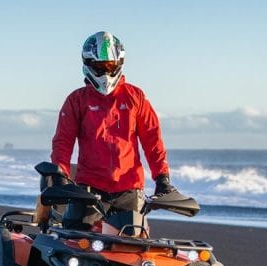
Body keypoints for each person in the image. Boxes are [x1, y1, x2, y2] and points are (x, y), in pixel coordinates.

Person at [50, 31, 177, 228]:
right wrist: (60, 175)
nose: (106, 72)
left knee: (132, 252)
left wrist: (162, 178)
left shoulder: (136, 97)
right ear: (88, 64)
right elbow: (63, 142)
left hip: (129, 189)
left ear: (119, 64)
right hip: (88, 189)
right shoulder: (77, 100)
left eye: (110, 66)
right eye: (100, 66)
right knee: (73, 243)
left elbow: (153, 140)